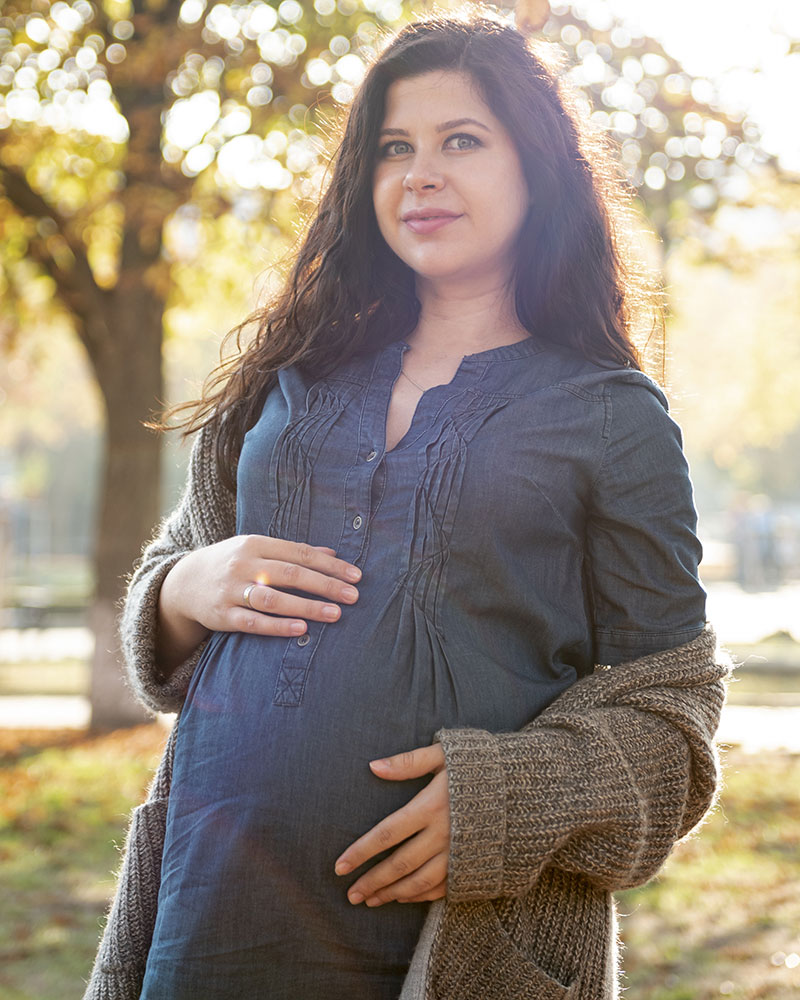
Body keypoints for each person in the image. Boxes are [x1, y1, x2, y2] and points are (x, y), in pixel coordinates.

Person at [84, 9, 730, 1000]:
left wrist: (507, 802)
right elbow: (181, 589)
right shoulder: (285, 375)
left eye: (459, 141)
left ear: (538, 167)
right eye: (392, 147)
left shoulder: (608, 413)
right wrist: (181, 588)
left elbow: (674, 718)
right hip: (208, 925)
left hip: (450, 956)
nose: (418, 174)